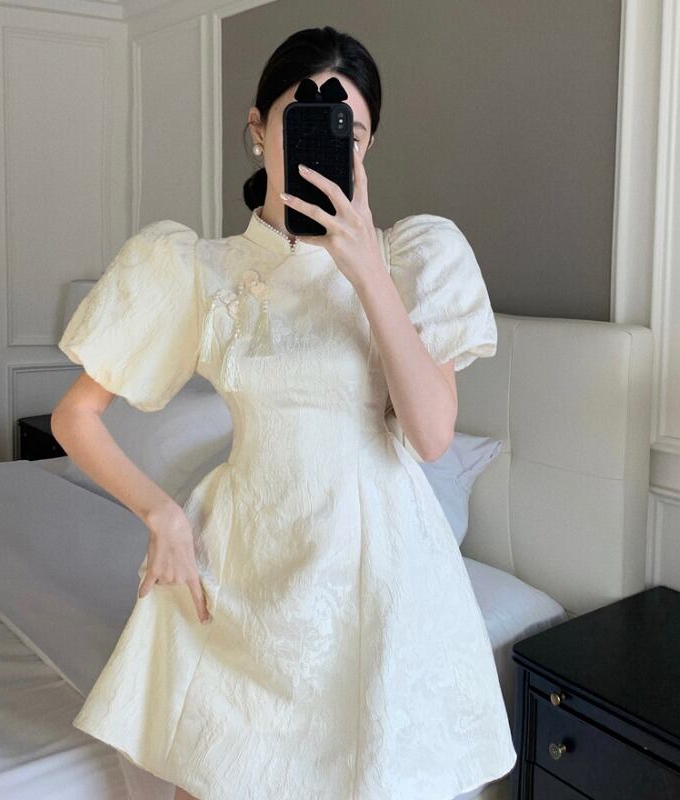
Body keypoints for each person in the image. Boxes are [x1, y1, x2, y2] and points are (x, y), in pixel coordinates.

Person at [53, 24, 516, 800]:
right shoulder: (197, 270)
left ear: (366, 147)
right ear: (259, 130)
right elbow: (75, 416)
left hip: (375, 577)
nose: (328, 144)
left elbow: (433, 435)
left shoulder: (414, 258)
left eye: (350, 132)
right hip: (244, 566)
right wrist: (162, 515)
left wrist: (366, 272)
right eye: (302, 119)